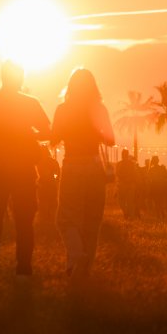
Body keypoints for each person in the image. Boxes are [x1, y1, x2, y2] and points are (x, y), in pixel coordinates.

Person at [0, 61, 51, 277]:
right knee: (25, 221)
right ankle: (24, 268)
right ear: (21, 79)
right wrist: (26, 135)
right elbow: (47, 131)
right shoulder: (30, 104)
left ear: (2, 77)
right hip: (23, 169)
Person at [50, 68, 115, 279]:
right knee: (92, 220)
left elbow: (53, 138)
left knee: (67, 219)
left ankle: (76, 256)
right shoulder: (99, 109)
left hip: (72, 165)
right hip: (94, 166)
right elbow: (110, 139)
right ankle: (83, 269)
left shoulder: (63, 109)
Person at [37, 146, 60, 222]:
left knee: (45, 202)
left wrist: (52, 177)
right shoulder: (51, 162)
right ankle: (49, 218)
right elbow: (57, 173)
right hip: (48, 185)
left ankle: (46, 218)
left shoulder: (40, 163)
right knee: (50, 202)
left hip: (45, 185)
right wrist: (53, 178)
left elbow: (56, 173)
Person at [116, 149, 138, 219]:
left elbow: (117, 174)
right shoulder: (132, 164)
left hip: (123, 184)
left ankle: (126, 212)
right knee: (130, 201)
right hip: (131, 184)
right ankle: (130, 216)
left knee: (121, 200)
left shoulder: (119, 164)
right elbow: (135, 174)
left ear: (122, 155)